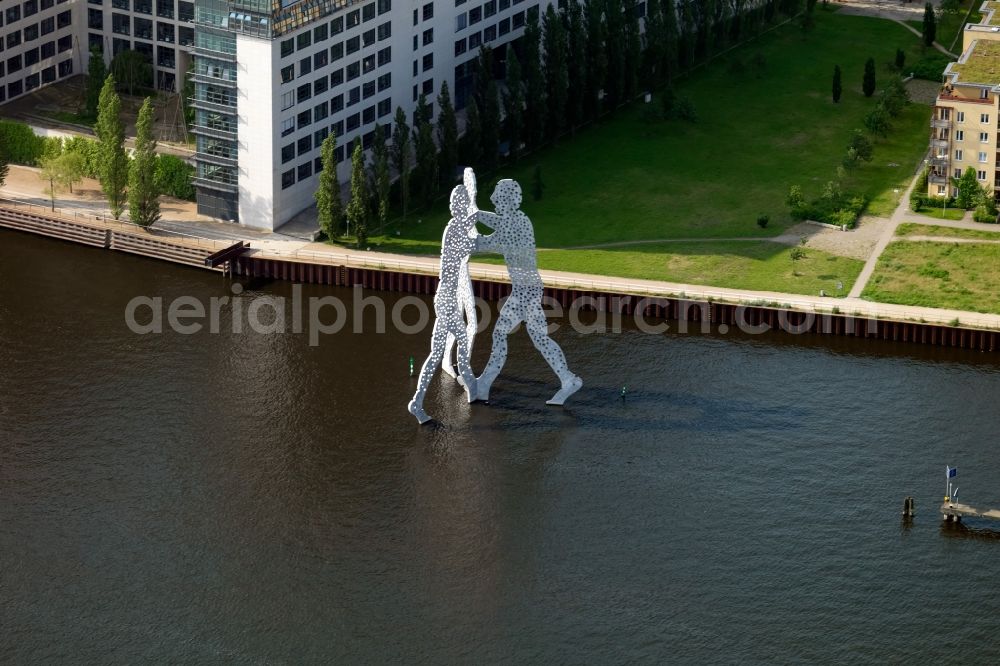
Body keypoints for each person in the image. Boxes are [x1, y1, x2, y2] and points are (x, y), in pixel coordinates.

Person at [471, 179, 582, 406]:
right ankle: (568, 379)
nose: (493, 200)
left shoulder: (516, 223)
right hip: (529, 288)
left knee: (501, 334)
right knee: (539, 338)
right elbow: (487, 239)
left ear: (508, 201)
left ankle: (484, 385)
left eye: (498, 197)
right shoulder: (517, 221)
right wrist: (473, 220)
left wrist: (472, 214)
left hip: (525, 290)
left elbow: (489, 237)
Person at [407, 184, 479, 424]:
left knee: (436, 352)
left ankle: (417, 402)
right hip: (446, 298)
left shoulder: (454, 227)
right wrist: (479, 222)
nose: (465, 208)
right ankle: (469, 383)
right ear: (458, 207)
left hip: (443, 296)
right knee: (462, 337)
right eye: (464, 205)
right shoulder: (455, 230)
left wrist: (475, 219)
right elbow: (473, 246)